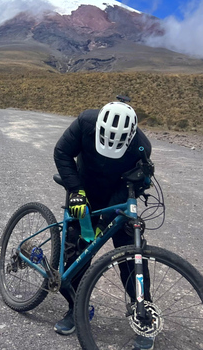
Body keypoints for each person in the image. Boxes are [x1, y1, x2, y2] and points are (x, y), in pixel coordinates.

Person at [52, 100, 155, 350]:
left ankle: (143, 314)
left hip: (117, 199)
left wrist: (107, 222)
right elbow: (62, 152)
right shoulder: (85, 123)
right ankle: (76, 309)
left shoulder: (141, 148)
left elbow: (134, 184)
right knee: (77, 251)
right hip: (82, 190)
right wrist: (75, 190)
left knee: (131, 255)